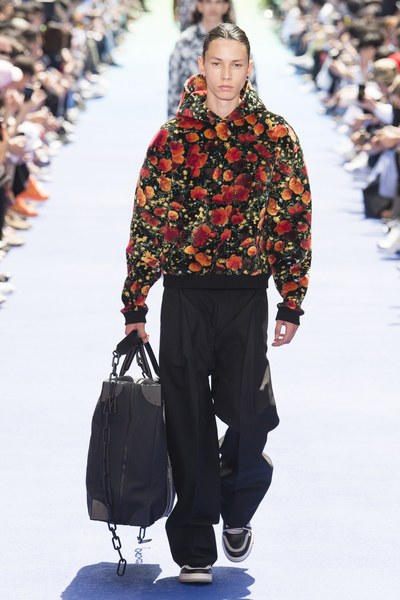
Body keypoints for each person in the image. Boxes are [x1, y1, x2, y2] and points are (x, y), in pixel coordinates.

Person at [121, 23, 312, 584]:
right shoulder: (171, 138)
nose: (226, 75)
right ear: (201, 66)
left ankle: (237, 501)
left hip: (247, 297)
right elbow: (148, 220)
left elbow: (292, 219)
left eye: (236, 64)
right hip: (183, 296)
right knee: (188, 422)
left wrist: (291, 299)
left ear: (249, 69)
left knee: (252, 415)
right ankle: (195, 544)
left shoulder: (276, 136)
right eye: (217, 63)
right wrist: (136, 302)